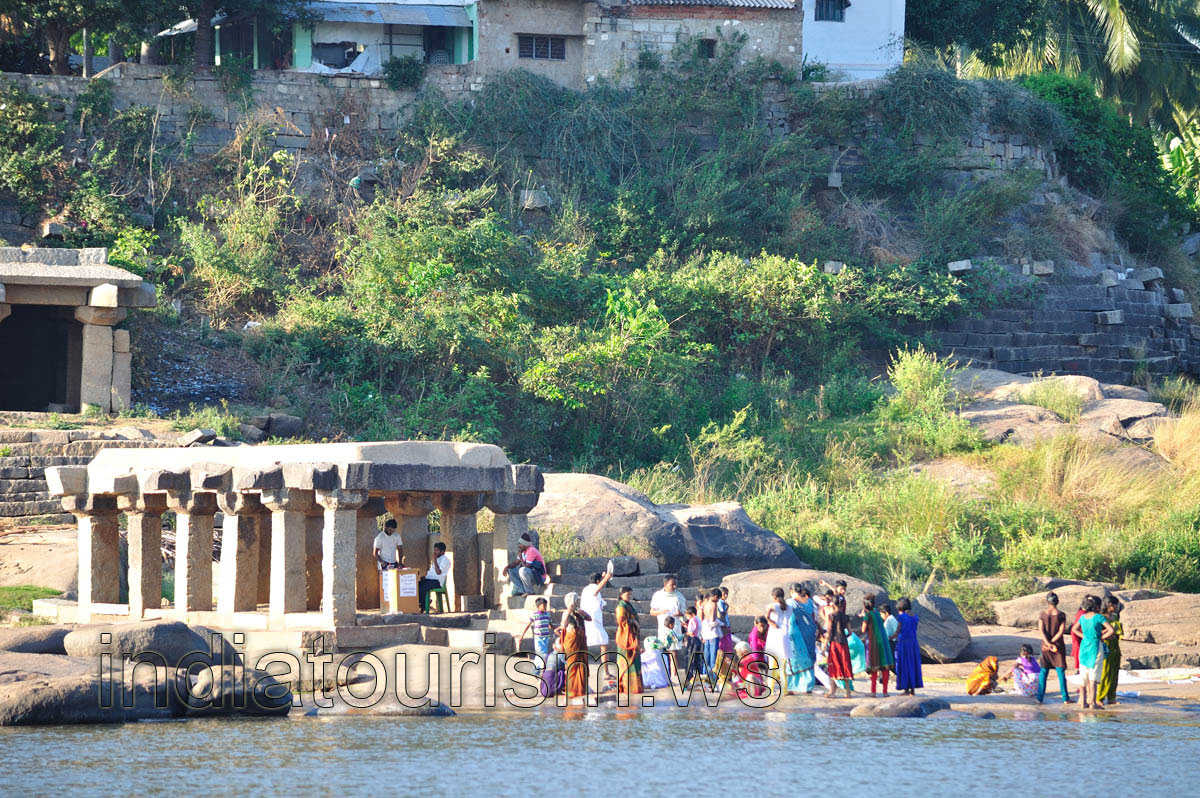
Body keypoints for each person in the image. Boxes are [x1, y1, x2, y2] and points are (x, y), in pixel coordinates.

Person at [1071, 594, 1115, 710]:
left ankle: (1083, 702)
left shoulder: (1082, 617)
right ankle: (1092, 703)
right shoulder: (1099, 618)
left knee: (1083, 676)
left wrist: (1084, 636)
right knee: (1093, 677)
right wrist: (1101, 637)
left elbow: (1074, 629)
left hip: (1084, 647)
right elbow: (1111, 630)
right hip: (1095, 647)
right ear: (1096, 606)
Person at [1037, 591, 1071, 704]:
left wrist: (1047, 643)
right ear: (1058, 602)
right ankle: (1065, 698)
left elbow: (1041, 631)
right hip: (1058, 646)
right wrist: (1052, 643)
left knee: (1043, 672)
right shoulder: (1061, 615)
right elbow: (1061, 631)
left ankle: (1039, 698)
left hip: (1045, 646)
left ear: (1047, 602)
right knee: (1060, 672)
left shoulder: (1042, 614)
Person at [580, 567, 613, 681]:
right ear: (598, 581)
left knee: (588, 645)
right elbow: (596, 590)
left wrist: (604, 577)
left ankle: (587, 671)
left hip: (591, 621)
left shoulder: (586, 589)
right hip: (593, 621)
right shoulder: (591, 589)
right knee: (604, 643)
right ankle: (606, 673)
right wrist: (607, 577)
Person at [560, 592, 592, 701]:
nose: (577, 602)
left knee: (582, 665)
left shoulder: (579, 612)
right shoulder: (566, 613)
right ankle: (572, 690)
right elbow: (563, 625)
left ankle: (581, 689)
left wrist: (584, 613)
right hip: (572, 642)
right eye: (576, 600)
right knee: (573, 666)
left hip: (581, 641)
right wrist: (569, 611)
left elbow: (589, 619)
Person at [861, 596, 895, 697]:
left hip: (874, 640)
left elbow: (863, 629)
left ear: (865, 605)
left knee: (874, 665)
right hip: (883, 639)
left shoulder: (868, 615)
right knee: (884, 665)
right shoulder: (876, 612)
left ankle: (873, 692)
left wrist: (863, 616)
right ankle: (885, 692)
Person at [787, 585, 816, 695]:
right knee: (808, 658)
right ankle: (807, 686)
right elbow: (813, 616)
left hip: (796, 634)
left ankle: (792, 686)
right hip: (810, 632)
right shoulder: (808, 601)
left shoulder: (790, 602)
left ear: (792, 591)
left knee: (795, 660)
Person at [614, 585, 643, 694]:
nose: (629, 596)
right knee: (627, 661)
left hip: (633, 635)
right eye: (628, 594)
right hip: (625, 638)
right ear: (621, 595)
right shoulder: (621, 606)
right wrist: (632, 622)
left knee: (634, 661)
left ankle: (635, 687)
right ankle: (626, 686)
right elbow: (621, 620)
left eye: (630, 594)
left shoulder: (628, 605)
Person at [1097, 595, 1124, 705]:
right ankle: (1100, 697)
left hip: (1115, 646)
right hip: (1106, 645)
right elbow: (1097, 633)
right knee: (1106, 672)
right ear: (1110, 605)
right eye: (1115, 604)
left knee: (1114, 672)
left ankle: (1111, 697)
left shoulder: (1114, 617)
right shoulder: (1101, 618)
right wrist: (1109, 632)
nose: (1117, 607)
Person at [824, 600, 853, 698]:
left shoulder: (831, 616)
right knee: (845, 665)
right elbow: (850, 632)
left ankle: (832, 691)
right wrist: (843, 636)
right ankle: (848, 692)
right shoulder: (846, 617)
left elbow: (828, 631)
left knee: (833, 665)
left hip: (834, 644)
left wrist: (824, 647)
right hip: (844, 644)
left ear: (833, 604)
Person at [893, 597, 923, 695]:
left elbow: (898, 631)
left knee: (904, 665)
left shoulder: (902, 617)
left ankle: (906, 689)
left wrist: (890, 637)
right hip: (913, 643)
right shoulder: (915, 617)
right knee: (913, 664)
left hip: (904, 643)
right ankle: (912, 690)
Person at [517, 597, 554, 670]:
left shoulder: (547, 615)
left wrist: (557, 629)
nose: (545, 607)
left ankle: (535, 669)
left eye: (546, 606)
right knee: (541, 653)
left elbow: (550, 625)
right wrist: (522, 636)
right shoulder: (535, 615)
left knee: (543, 653)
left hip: (546, 637)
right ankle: (541, 669)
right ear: (538, 606)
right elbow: (528, 625)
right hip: (538, 638)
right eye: (544, 606)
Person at [764, 587, 792, 684]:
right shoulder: (789, 607)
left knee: (772, 665)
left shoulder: (773, 606)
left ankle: (770, 688)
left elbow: (766, 616)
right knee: (782, 666)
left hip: (774, 635)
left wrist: (771, 622)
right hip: (784, 635)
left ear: (774, 596)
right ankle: (784, 689)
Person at [649, 575, 687, 640]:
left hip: (675, 626)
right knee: (663, 646)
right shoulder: (658, 595)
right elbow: (652, 612)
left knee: (674, 648)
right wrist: (661, 612)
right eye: (672, 585)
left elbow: (685, 612)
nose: (674, 586)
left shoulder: (679, 596)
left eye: (675, 584)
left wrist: (680, 613)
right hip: (663, 627)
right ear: (665, 584)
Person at [418, 541, 449, 611]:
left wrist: (434, 560)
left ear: (442, 551)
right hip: (430, 579)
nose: (434, 552)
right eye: (434, 550)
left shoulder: (446, 560)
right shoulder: (436, 558)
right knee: (417, 585)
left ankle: (423, 605)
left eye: (437, 550)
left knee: (423, 587)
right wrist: (425, 577)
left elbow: (438, 572)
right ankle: (424, 603)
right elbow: (432, 572)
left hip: (437, 582)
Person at [700, 589, 723, 684]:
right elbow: (713, 620)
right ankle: (713, 677)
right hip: (713, 633)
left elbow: (704, 618)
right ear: (715, 596)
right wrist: (721, 623)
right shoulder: (714, 604)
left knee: (707, 655)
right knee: (713, 656)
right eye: (718, 598)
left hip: (706, 632)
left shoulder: (705, 604)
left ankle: (705, 674)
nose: (718, 600)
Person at [682, 605, 704, 687]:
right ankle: (699, 676)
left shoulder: (692, 620)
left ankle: (689, 677)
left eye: (688, 615)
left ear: (692, 614)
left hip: (692, 641)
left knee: (690, 659)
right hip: (698, 640)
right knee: (697, 659)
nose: (687, 617)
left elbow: (691, 632)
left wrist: (685, 632)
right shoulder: (698, 619)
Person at [717, 587, 735, 655]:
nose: (726, 596)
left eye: (727, 594)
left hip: (726, 625)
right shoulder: (720, 602)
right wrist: (727, 607)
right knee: (725, 645)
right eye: (724, 594)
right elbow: (722, 613)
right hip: (724, 626)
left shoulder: (722, 602)